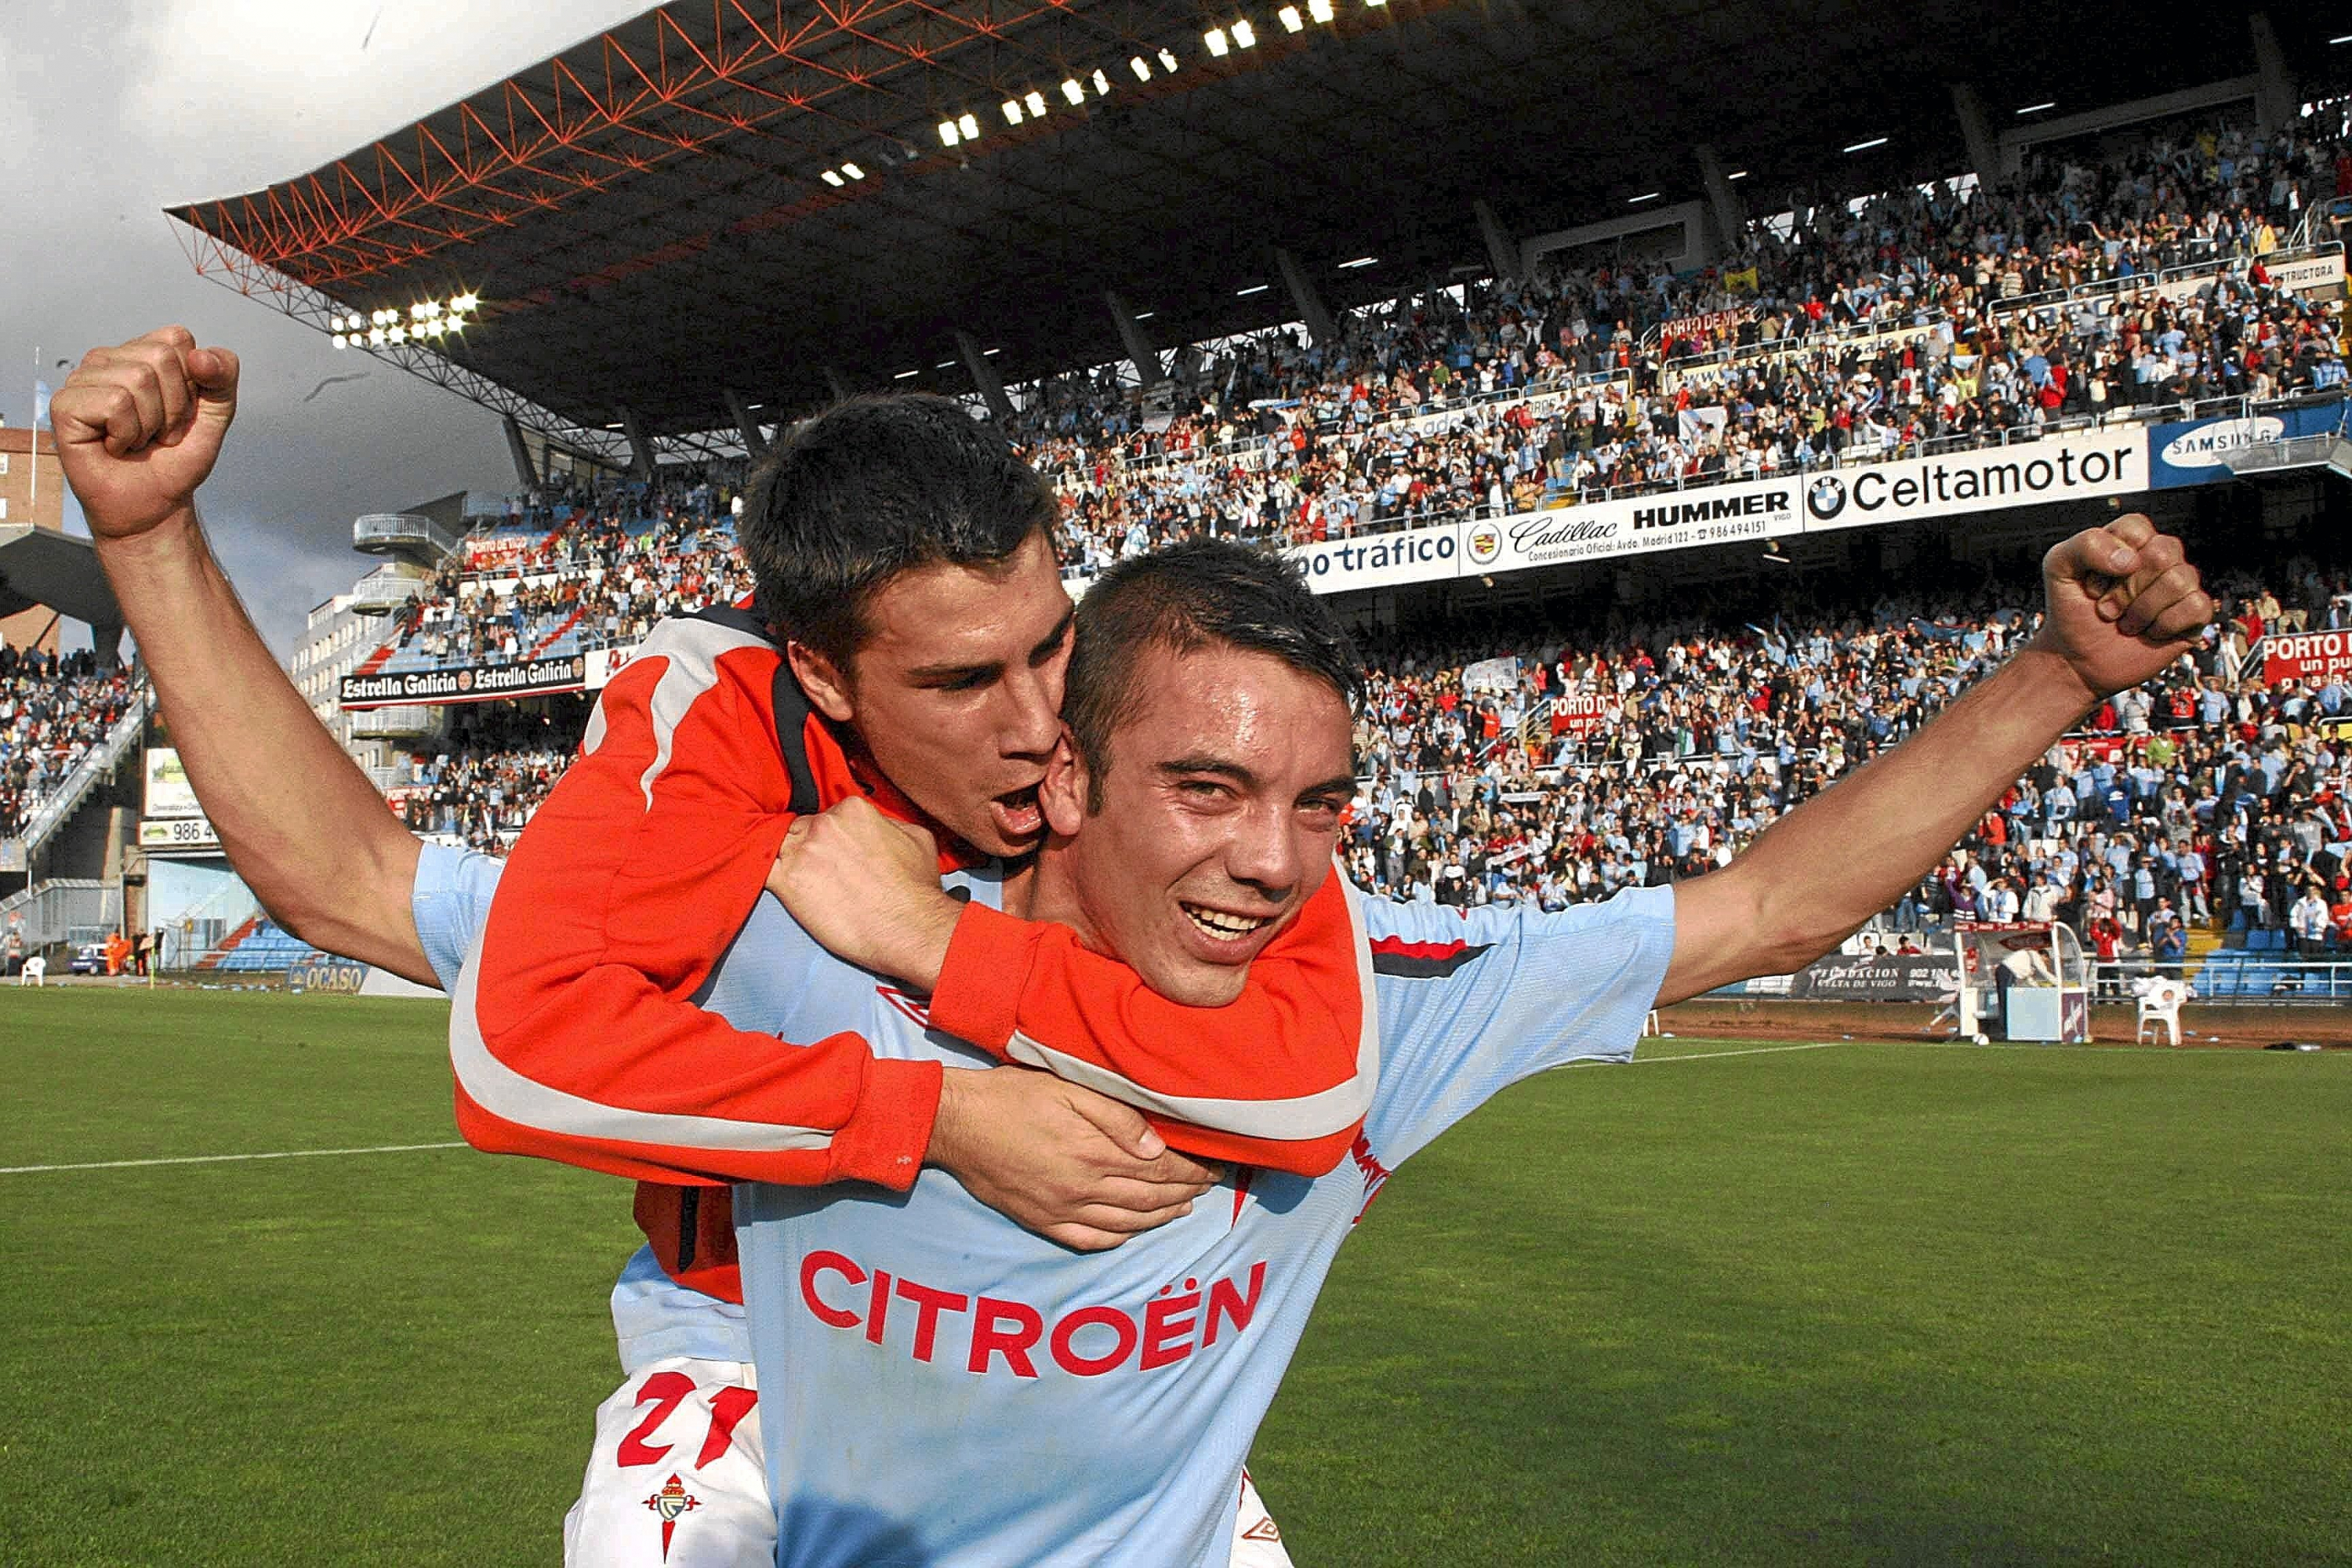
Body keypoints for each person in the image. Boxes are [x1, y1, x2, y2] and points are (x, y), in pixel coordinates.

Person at [447, 504, 2200, 1563]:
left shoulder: (1382, 994)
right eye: (1205, 789)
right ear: (1067, 775)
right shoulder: (811, 927)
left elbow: (1766, 912)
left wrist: (2052, 675)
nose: (1270, 862)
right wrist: (155, 534)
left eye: (1319, 804)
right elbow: (365, 879)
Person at [53, 328, 1342, 1567]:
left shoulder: (1173, 764)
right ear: (826, 681)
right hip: (757, 1369)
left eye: (1050, 644)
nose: (1035, 717)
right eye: (959, 682)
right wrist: (937, 1115)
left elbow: (1303, 1073)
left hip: (1086, 1372)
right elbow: (366, 891)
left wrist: (927, 935)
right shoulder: (711, 794)